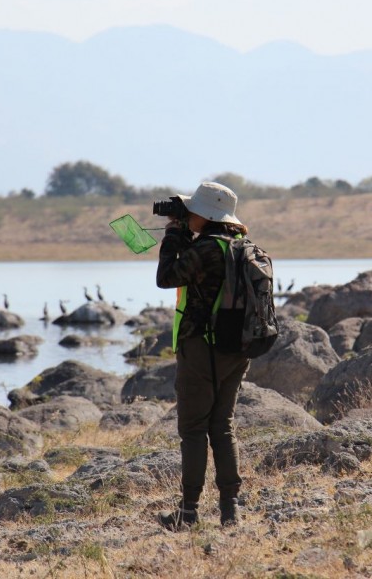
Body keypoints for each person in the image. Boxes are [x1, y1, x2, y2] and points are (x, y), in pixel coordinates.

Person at [155, 181, 251, 530]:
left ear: (204, 215)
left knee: (194, 429)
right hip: (238, 348)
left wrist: (173, 237)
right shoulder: (243, 246)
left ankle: (189, 513)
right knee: (222, 426)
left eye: (192, 211)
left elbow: (166, 277)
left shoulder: (206, 249)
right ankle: (230, 510)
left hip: (201, 349)